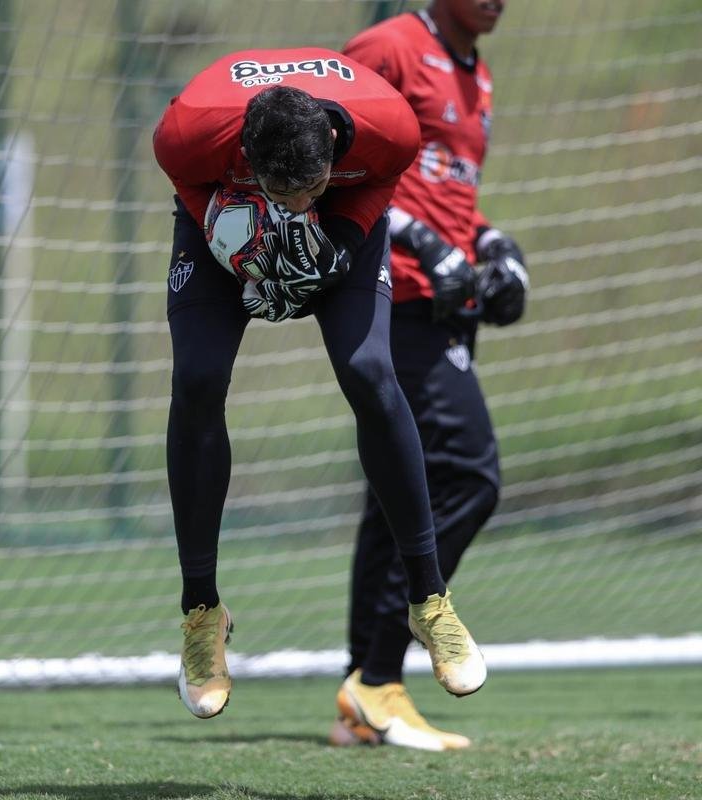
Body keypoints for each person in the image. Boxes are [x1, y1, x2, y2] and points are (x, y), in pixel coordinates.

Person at [152, 47, 487, 720]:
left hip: (351, 210)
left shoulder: (389, 126)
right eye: (287, 193)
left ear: (333, 144)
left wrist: (333, 243)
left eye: (307, 187)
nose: (296, 205)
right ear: (244, 150)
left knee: (369, 371)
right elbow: (185, 180)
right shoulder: (190, 130)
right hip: (225, 207)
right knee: (197, 379)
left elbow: (381, 180)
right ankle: (200, 612)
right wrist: (233, 243)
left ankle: (429, 599)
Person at [330, 0, 529, 751]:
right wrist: (417, 241)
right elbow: (331, 171)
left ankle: (362, 699)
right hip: (394, 299)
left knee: (394, 496)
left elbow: (447, 195)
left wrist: (491, 241)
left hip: (445, 305)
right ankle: (380, 676)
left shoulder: (477, 77)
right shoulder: (388, 47)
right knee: (468, 475)